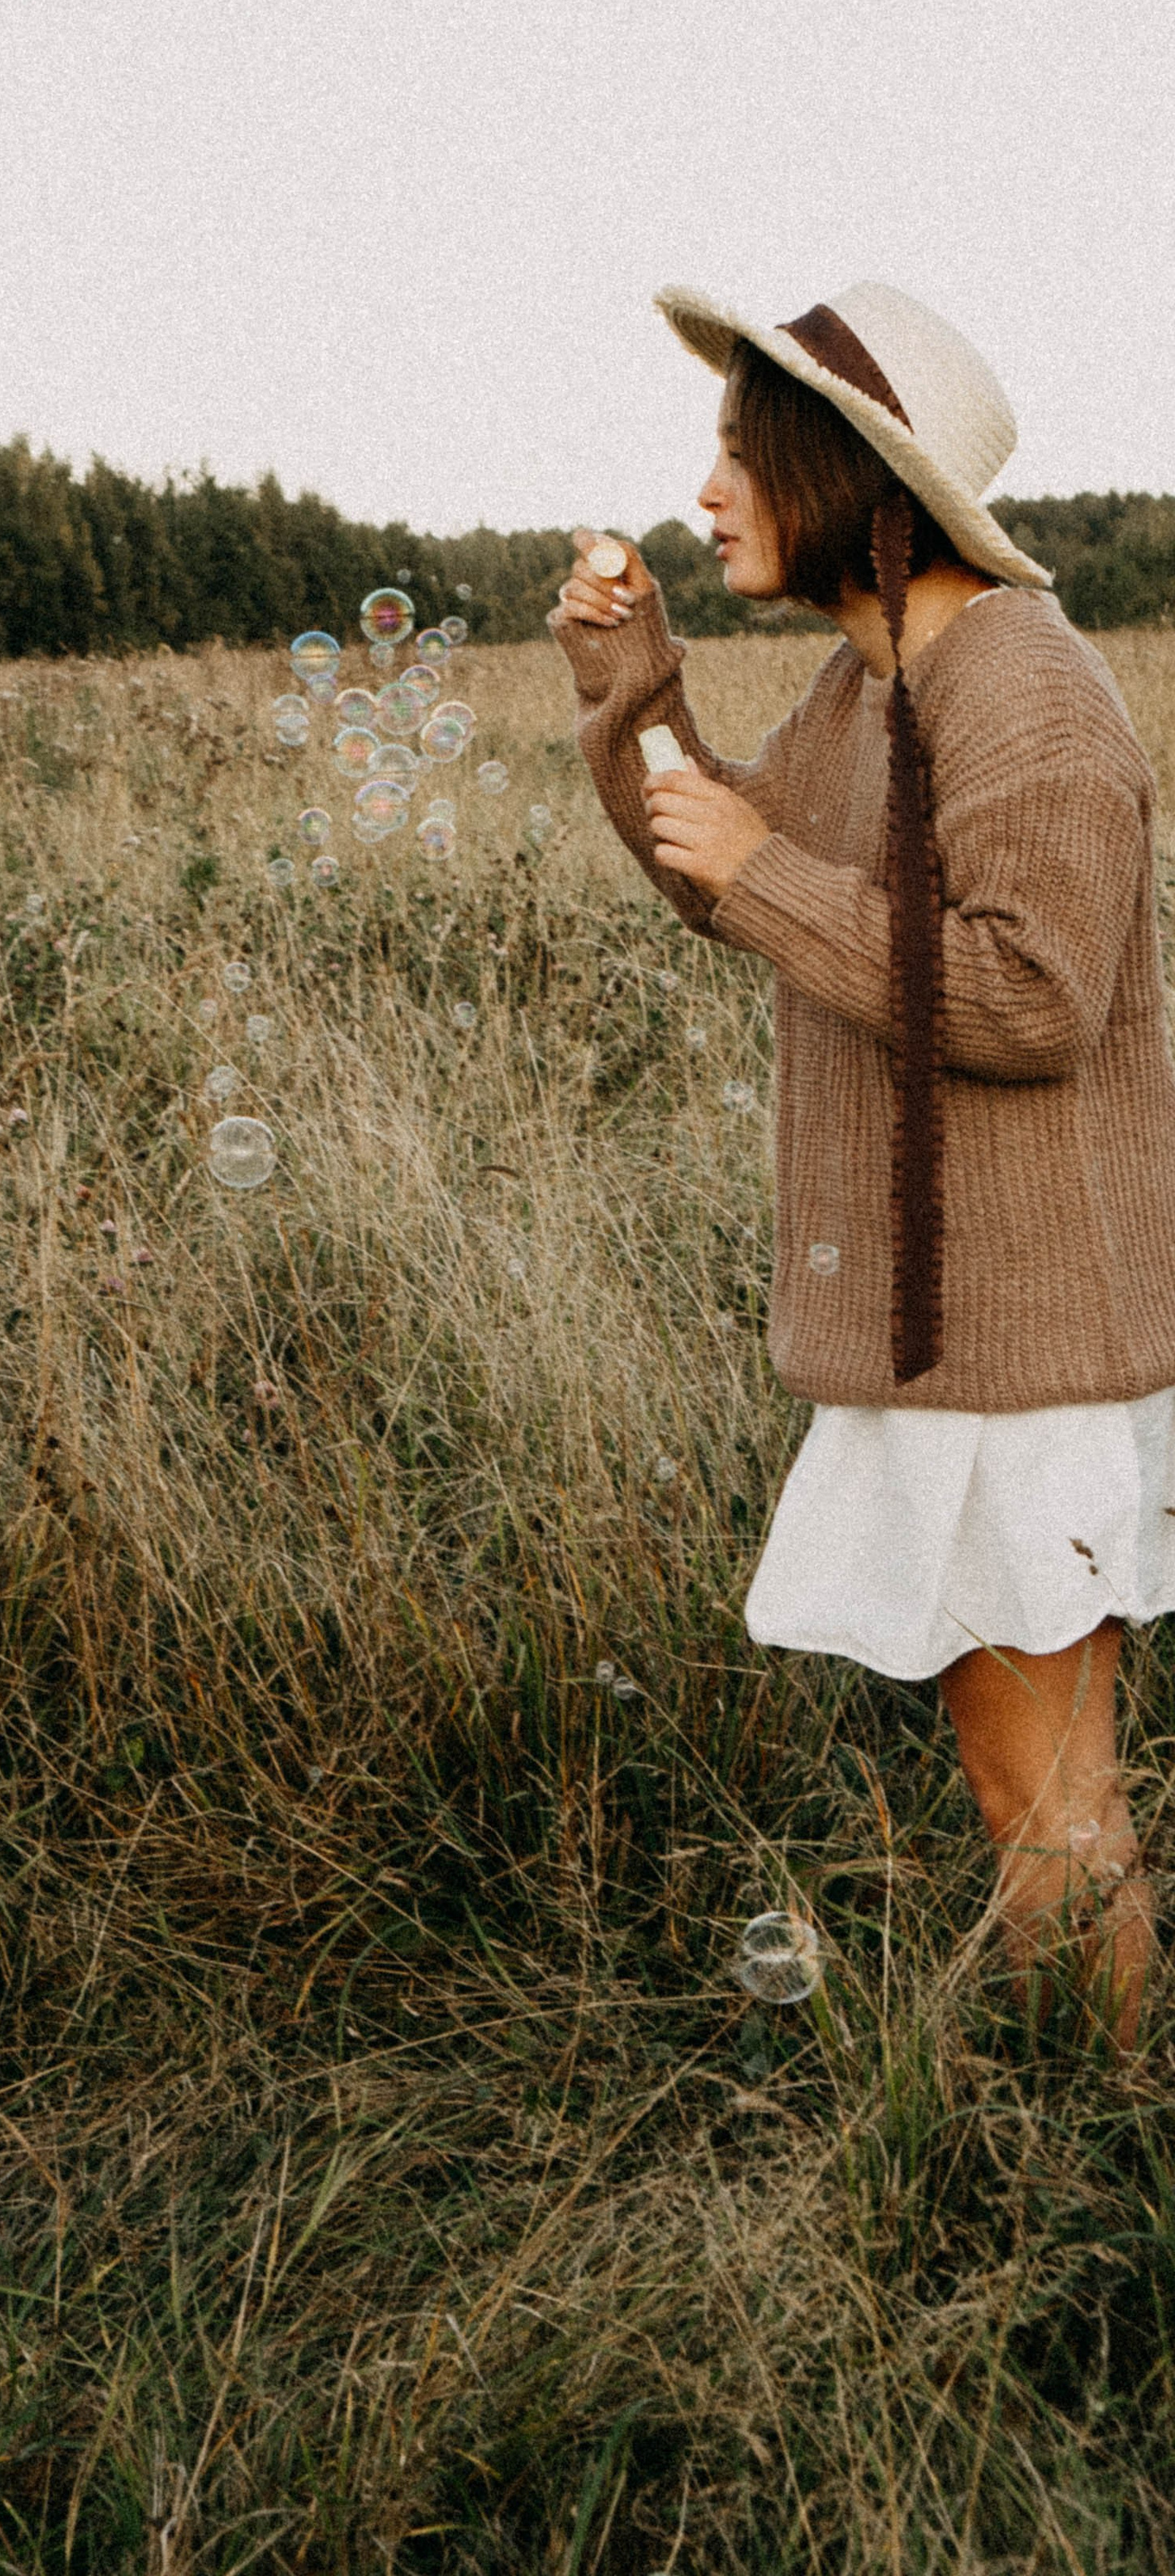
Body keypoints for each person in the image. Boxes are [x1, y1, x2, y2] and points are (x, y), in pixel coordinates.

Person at [553, 281, 1175, 2044]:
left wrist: (764, 872)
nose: (705, 491)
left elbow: (1033, 996)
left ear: (847, 473)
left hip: (1024, 1356)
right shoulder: (870, 684)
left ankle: (1101, 2142)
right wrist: (633, 686)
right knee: (1025, 1798)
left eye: (740, 456)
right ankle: (1087, 2115)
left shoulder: (1025, 690)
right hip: (958, 1340)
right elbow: (727, 877)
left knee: (1046, 1806)